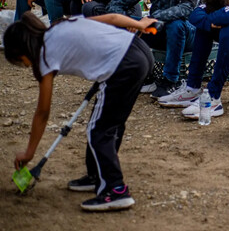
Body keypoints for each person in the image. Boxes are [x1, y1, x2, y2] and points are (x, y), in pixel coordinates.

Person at [5, 12, 156, 212]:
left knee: (99, 130)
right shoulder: (60, 26)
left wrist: (30, 152)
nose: (25, 65)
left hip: (124, 65)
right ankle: (96, 176)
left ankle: (115, 190)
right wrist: (139, 24)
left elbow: (43, 112)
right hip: (139, 51)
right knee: (110, 123)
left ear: (22, 50)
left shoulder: (45, 56)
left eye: (20, 60)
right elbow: (111, 18)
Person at [107, 0, 203, 98]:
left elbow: (187, 8)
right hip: (156, 31)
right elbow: (115, 5)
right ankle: (144, 75)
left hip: (189, 34)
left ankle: (171, 81)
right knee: (115, 21)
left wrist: (154, 17)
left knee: (175, 24)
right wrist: (129, 22)